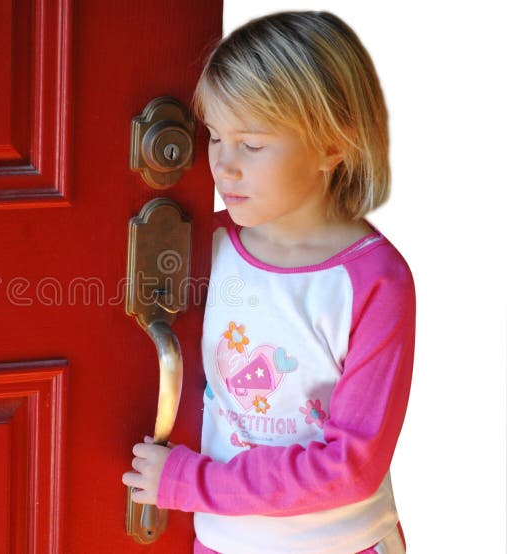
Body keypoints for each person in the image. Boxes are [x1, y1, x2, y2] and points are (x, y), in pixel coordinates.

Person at [122, 10, 416, 554]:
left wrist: (193, 483)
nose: (222, 166)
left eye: (251, 145)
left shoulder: (377, 282)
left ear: (333, 146)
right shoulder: (201, 246)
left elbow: (352, 465)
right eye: (214, 137)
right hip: (222, 542)